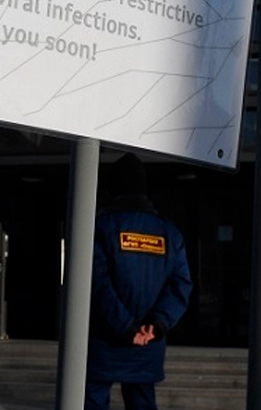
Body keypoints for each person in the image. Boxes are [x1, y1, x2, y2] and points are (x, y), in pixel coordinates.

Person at [86, 154, 192, 410]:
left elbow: (97, 285)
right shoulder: (169, 233)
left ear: (112, 189)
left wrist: (126, 328)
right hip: (147, 346)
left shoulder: (100, 228)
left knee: (92, 400)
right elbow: (181, 285)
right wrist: (155, 325)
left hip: (104, 343)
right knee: (142, 401)